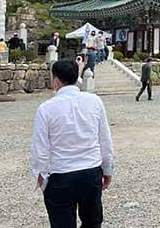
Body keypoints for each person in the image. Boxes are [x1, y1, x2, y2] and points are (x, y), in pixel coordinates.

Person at [31, 60, 114, 228]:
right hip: (91, 172)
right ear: (77, 77)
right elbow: (104, 139)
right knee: (92, 222)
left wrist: (42, 177)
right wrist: (107, 169)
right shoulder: (94, 101)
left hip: (60, 175)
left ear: (56, 80)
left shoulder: (46, 108)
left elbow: (40, 148)